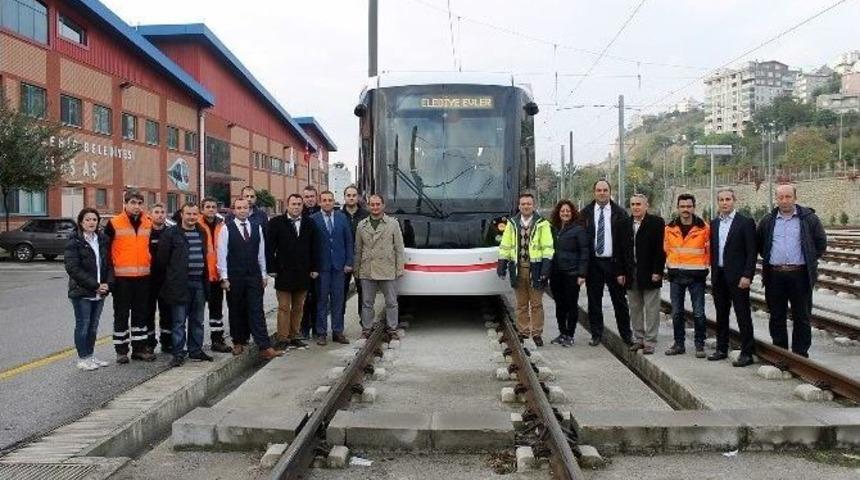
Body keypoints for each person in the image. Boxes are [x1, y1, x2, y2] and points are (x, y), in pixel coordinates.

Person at [757, 184, 826, 358]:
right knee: (776, 315)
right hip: (775, 275)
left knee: (802, 316)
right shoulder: (768, 220)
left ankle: (800, 354)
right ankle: (780, 350)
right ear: (776, 199)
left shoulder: (809, 219)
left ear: (795, 197)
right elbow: (760, 245)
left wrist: (809, 259)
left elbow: (820, 243)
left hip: (800, 274)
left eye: (788, 197)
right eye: (781, 197)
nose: (784, 200)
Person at [217, 197, 284, 360]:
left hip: (253, 275)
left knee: (257, 310)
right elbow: (222, 254)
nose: (242, 210)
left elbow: (261, 253)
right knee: (236, 308)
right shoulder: (227, 229)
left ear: (250, 209)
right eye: (239, 208)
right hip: (235, 275)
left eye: (245, 207)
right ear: (233, 210)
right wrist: (224, 277)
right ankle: (238, 341)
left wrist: (263, 274)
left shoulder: (257, 227)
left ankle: (264, 346)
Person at [156, 203, 214, 368]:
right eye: (188, 214)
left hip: (199, 283)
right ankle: (178, 353)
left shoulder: (202, 232)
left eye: (194, 214)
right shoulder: (171, 234)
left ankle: (195, 350)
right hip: (179, 284)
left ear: (198, 215)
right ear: (182, 214)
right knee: (179, 321)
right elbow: (162, 260)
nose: (191, 217)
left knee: (197, 320)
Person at [580, 180, 633, 346]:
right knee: (594, 301)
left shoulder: (620, 213)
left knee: (620, 301)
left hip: (614, 264)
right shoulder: (585, 213)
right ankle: (596, 334)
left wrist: (623, 270)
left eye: (605, 190)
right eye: (598, 190)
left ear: (610, 192)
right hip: (594, 264)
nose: (602, 193)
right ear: (594, 192)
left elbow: (626, 245)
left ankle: (626, 335)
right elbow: (582, 241)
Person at [498, 192, 554, 346]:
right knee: (521, 304)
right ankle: (523, 332)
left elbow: (548, 248)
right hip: (518, 268)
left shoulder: (542, 224)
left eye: (528, 204)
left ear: (533, 205)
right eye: (523, 204)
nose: (526, 206)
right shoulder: (512, 224)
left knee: (536, 304)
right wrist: (501, 264)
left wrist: (545, 269)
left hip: (536, 269)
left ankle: (537, 333)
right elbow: (505, 246)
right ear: (519, 206)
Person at [708, 189, 757, 366]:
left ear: (734, 200)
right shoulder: (713, 224)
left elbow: (752, 252)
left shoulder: (745, 222)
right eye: (721, 200)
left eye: (728, 199)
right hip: (719, 276)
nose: (724, 203)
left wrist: (747, 275)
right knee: (721, 314)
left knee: (742, 314)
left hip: (738, 277)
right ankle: (721, 348)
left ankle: (747, 352)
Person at [105, 190, 155, 364]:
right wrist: (109, 277)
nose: (137, 206)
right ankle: (121, 350)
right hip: (122, 278)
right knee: (121, 314)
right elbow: (106, 253)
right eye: (133, 202)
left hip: (143, 277)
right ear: (125, 203)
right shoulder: (113, 223)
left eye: (140, 203)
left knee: (141, 315)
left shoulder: (149, 223)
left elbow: (153, 249)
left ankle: (139, 349)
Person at [266, 194, 319, 350]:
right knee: (283, 307)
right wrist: (271, 268)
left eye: (299, 204)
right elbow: (269, 248)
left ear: (302, 206)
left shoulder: (310, 223)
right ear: (287, 205)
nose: (296, 207)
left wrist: (314, 268)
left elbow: (314, 247)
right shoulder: (276, 223)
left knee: (298, 307)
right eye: (293, 204)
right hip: (283, 272)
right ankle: (283, 337)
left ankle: (295, 335)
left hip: (303, 272)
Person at [65, 208, 113, 370]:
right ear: (81, 222)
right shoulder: (74, 241)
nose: (92, 222)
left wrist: (107, 284)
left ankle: (91, 356)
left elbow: (109, 264)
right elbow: (73, 268)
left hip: (100, 291)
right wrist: (95, 285)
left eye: (94, 219)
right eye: (88, 219)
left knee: (93, 326)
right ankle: (83, 358)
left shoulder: (102, 239)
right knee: (83, 325)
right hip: (82, 292)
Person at [664, 194, 710, 358]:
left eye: (688, 206)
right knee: (676, 312)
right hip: (676, 276)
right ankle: (679, 344)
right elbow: (666, 250)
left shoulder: (704, 228)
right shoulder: (669, 228)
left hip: (696, 277)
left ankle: (699, 345)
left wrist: (705, 268)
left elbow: (709, 251)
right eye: (682, 206)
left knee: (698, 313)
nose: (685, 210)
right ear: (678, 208)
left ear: (693, 207)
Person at [354, 194, 406, 337]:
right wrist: (357, 270)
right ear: (368, 206)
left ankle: (392, 328)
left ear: (383, 206)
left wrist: (399, 268)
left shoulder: (393, 224)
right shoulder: (361, 225)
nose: (375, 207)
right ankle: (366, 329)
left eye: (378, 204)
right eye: (372, 204)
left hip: (387, 268)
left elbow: (399, 248)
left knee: (391, 302)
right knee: (367, 302)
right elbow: (358, 249)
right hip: (367, 268)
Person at [312, 191, 354, 345]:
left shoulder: (342, 218)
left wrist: (349, 262)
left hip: (339, 267)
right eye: (324, 200)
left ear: (334, 201)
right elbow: (310, 245)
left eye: (330, 200)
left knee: (338, 300)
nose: (327, 203)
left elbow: (349, 241)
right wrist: (313, 266)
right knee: (321, 301)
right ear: (320, 202)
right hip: (321, 268)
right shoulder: (313, 219)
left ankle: (338, 331)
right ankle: (321, 332)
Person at [626, 194, 666, 355]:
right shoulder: (624, 223)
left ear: (646, 206)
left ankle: (650, 341)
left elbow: (660, 250)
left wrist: (658, 271)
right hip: (631, 272)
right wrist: (621, 272)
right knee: (635, 307)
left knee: (651, 308)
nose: (635, 207)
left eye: (639, 204)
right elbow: (621, 250)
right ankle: (639, 339)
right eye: (633, 204)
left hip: (650, 272)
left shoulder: (656, 223)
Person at [547, 199, 588, 347]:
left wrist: (582, 274)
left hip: (572, 273)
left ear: (573, 213)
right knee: (559, 304)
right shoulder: (554, 229)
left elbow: (584, 251)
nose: (565, 213)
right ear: (558, 213)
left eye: (568, 211)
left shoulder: (578, 229)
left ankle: (570, 334)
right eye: (562, 211)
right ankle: (562, 332)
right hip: (556, 273)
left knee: (571, 304)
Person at [199, 198, 231, 353]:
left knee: (217, 310)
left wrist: (224, 275)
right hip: (201, 275)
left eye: (213, 207)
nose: (211, 209)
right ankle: (195, 343)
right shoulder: (197, 224)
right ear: (202, 209)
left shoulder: (222, 225)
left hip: (217, 275)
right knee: (197, 311)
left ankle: (217, 340)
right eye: (207, 207)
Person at [146, 203, 172, 353]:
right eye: (156, 212)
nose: (160, 215)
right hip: (148, 280)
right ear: (150, 214)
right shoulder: (145, 233)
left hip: (166, 280)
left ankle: (167, 342)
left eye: (163, 212)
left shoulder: (170, 233)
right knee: (148, 312)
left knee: (167, 312)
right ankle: (150, 343)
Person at [341, 185, 368, 317]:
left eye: (354, 195)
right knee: (340, 295)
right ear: (344, 197)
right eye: (348, 195)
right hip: (343, 262)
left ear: (358, 197)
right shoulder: (338, 216)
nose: (351, 198)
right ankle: (338, 328)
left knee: (364, 294)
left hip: (362, 261)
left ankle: (365, 325)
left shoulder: (366, 216)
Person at [300, 185, 321, 339]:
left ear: (316, 197)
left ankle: (317, 327)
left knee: (318, 297)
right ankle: (304, 328)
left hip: (318, 263)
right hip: (302, 264)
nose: (309, 199)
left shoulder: (323, 212)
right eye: (306, 197)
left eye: (312, 196)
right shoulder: (299, 214)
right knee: (304, 298)